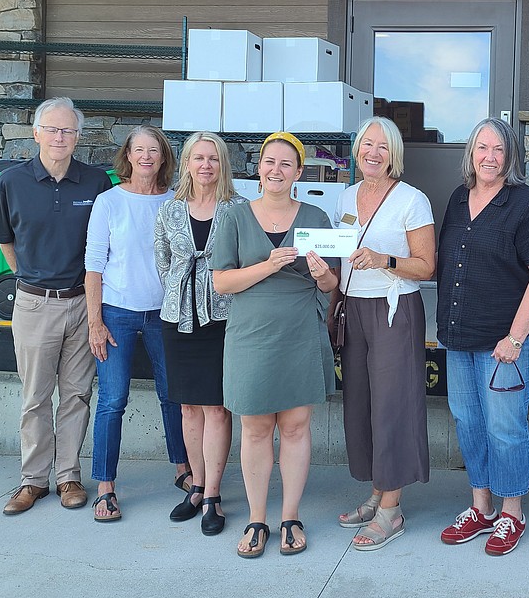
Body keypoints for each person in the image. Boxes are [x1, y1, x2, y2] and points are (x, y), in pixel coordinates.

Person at [211, 132, 339, 559]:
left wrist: (322, 274)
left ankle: (290, 516)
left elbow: (331, 284)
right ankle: (256, 517)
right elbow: (222, 281)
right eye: (269, 162)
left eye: (286, 163)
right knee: (255, 427)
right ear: (259, 168)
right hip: (250, 335)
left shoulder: (317, 217)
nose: (276, 170)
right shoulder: (234, 217)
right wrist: (267, 266)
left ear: (299, 172)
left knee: (296, 427)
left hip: (300, 331)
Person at [435, 117, 529, 557]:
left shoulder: (526, 205)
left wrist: (516, 338)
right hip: (459, 337)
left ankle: (512, 513)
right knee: (468, 422)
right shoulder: (456, 199)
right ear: (471, 154)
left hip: (506, 343)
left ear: (510, 157)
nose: (490, 157)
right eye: (482, 148)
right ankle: (481, 507)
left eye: (499, 150)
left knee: (505, 427)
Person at [0, 97, 113, 515]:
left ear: (78, 136)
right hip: (34, 304)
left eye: (68, 131)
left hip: (83, 304)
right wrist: (30, 277)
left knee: (77, 394)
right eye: (53, 129)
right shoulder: (11, 181)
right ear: (36, 132)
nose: (60, 137)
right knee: (35, 397)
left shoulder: (97, 182)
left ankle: (69, 477)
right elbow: (5, 238)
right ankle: (32, 481)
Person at [332, 117, 435, 550]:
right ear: (357, 150)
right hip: (352, 308)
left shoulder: (413, 200)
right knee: (361, 402)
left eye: (383, 147)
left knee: (393, 404)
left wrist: (384, 260)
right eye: (367, 145)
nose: (373, 153)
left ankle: (391, 508)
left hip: (394, 311)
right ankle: (377, 490)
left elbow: (427, 266)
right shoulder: (345, 196)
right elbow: (338, 256)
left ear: (395, 154)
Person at [85, 125, 188, 522]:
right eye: (138, 150)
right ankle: (106, 486)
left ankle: (184, 470)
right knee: (112, 400)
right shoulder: (108, 202)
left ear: (163, 158)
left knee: (173, 395)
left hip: (165, 313)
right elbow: (94, 266)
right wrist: (95, 322)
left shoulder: (175, 201)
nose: (146, 157)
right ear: (127, 155)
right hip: (117, 313)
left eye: (154, 150)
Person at [155, 132, 247, 536]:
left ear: (222, 164)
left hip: (223, 319)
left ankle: (212, 494)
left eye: (212, 158)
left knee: (216, 407)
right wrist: (182, 292)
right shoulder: (169, 211)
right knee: (188, 407)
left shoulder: (239, 209)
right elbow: (163, 260)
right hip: (177, 319)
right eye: (198, 158)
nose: (205, 165)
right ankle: (194, 485)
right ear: (187, 163)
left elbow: (246, 261)